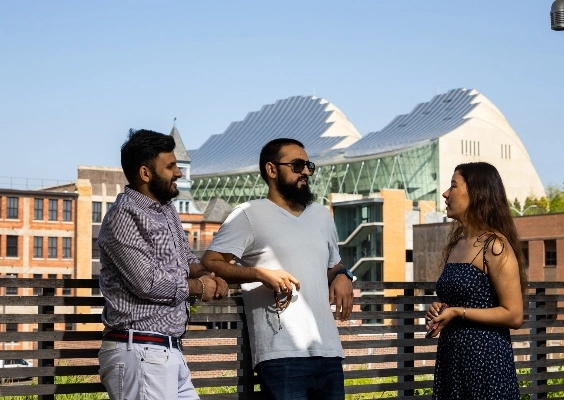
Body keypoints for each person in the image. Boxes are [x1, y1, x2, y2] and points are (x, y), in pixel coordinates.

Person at [201, 138, 354, 400]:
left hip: (328, 351)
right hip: (280, 355)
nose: (305, 171)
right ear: (271, 170)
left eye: (308, 165)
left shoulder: (321, 215)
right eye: (297, 165)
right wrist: (260, 274)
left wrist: (341, 275)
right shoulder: (248, 214)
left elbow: (332, 264)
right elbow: (211, 262)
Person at [97, 129, 228, 400]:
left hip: (167, 352)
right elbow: (147, 283)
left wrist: (208, 274)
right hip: (140, 352)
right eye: (170, 166)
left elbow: (188, 260)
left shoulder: (166, 210)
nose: (178, 172)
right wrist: (198, 287)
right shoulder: (123, 217)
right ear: (146, 174)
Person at [426, 162, 526, 399]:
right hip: (452, 359)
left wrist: (458, 312)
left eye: (453, 186)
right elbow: (458, 302)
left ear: (476, 192)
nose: (445, 193)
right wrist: (440, 311)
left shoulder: (495, 245)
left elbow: (514, 315)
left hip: (486, 363)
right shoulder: (457, 245)